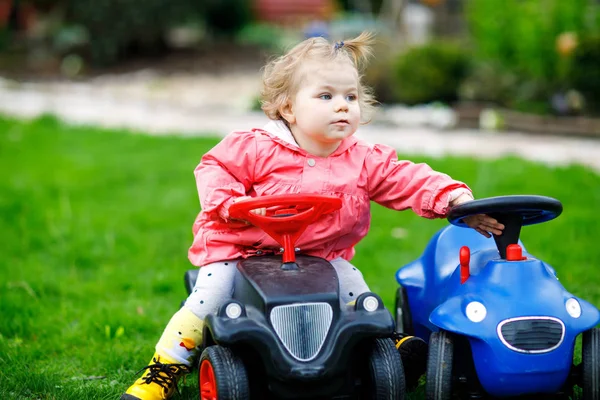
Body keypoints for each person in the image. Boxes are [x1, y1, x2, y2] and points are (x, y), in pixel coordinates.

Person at [121, 31, 504, 400]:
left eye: (350, 96)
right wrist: (228, 203)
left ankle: (384, 344)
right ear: (288, 107)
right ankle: (165, 368)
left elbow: (403, 177)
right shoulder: (257, 147)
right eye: (326, 95)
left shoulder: (360, 158)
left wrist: (449, 196)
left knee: (357, 291)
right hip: (242, 253)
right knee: (209, 297)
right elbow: (215, 169)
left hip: (319, 257)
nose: (342, 105)